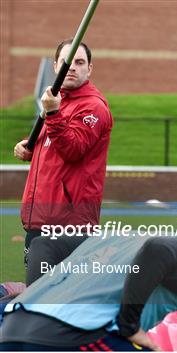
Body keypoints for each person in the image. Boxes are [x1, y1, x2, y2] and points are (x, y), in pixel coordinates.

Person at [0, 203, 177, 351]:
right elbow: (158, 250)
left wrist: (38, 294)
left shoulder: (121, 237)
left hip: (13, 330)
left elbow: (44, 244)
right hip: (74, 335)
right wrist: (130, 326)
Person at [13, 39, 114, 283]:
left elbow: (73, 149)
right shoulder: (57, 102)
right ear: (55, 67)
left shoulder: (93, 107)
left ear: (89, 69)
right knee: (37, 292)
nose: (72, 67)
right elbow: (54, 145)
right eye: (66, 62)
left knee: (54, 299)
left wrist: (53, 113)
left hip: (68, 224)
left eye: (79, 62)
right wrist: (30, 147)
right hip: (39, 217)